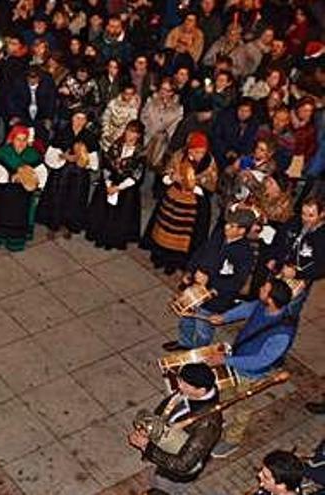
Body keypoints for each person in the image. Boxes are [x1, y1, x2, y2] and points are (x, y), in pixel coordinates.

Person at [202, 279, 298, 458]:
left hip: (252, 375)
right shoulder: (263, 305)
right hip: (236, 360)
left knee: (243, 409)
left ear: (270, 300)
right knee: (227, 394)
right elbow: (247, 308)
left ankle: (232, 440)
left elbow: (260, 361)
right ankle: (221, 417)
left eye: (264, 289)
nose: (260, 288)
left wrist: (226, 361)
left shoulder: (282, 333)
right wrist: (224, 317)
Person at [163, 208, 257, 351]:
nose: (226, 227)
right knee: (186, 318)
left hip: (213, 300)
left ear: (242, 231)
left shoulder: (245, 254)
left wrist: (210, 285)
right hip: (195, 287)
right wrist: (190, 270)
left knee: (203, 328)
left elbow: (236, 282)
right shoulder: (219, 235)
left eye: (232, 226)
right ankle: (185, 342)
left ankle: (198, 351)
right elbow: (201, 251)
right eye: (227, 223)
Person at [128, 363, 222, 494]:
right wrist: (149, 430)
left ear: (201, 390)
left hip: (175, 476)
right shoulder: (187, 394)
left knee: (163, 487)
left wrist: (147, 448)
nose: (179, 386)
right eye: (180, 381)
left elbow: (183, 464)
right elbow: (165, 410)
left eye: (184, 384)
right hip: (165, 450)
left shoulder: (208, 424)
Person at [142, 132, 218, 274]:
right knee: (165, 228)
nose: (199, 155)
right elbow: (167, 172)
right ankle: (160, 257)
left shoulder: (209, 163)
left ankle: (176, 262)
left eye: (202, 152)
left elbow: (211, 183)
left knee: (185, 235)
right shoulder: (179, 156)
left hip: (193, 203)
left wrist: (195, 185)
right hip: (174, 198)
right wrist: (172, 177)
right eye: (196, 152)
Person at [0, 125, 47, 251]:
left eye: (24, 140)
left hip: (22, 196)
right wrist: (13, 177)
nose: (21, 143)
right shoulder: (2, 153)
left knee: (17, 219)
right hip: (3, 193)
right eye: (18, 139)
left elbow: (42, 172)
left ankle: (14, 243)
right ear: (12, 139)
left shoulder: (32, 154)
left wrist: (36, 182)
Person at [38, 111, 99, 239]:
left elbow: (94, 162)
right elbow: (50, 154)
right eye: (77, 118)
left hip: (79, 174)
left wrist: (82, 159)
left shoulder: (89, 136)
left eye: (83, 119)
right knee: (57, 197)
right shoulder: (62, 133)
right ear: (72, 118)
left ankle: (69, 225)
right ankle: (53, 225)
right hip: (62, 171)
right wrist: (63, 157)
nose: (79, 122)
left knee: (74, 199)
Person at [86, 120, 146, 250]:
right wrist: (108, 184)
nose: (129, 134)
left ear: (139, 135)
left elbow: (137, 175)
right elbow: (106, 165)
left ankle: (113, 240)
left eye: (133, 132)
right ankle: (99, 236)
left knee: (120, 215)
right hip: (110, 181)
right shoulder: (116, 146)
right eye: (128, 130)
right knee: (103, 210)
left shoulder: (140, 152)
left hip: (126, 187)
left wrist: (118, 188)